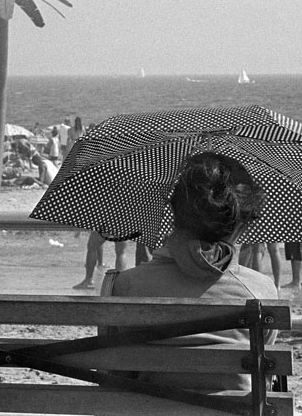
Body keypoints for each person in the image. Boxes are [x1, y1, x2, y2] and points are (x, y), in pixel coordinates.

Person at [106, 152, 278, 392]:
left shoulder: (126, 286)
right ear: (238, 226)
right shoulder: (261, 290)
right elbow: (265, 378)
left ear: (175, 214)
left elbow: (117, 372)